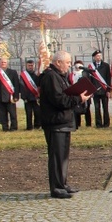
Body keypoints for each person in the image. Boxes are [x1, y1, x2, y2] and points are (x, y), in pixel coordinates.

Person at [38, 51, 92, 199]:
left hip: (63, 121)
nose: (69, 65)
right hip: (55, 122)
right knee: (56, 156)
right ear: (58, 63)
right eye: (67, 63)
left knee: (63, 156)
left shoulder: (59, 76)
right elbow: (59, 100)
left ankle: (62, 183)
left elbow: (65, 95)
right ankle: (56, 188)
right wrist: (78, 98)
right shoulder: (50, 77)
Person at [0, 57, 21, 131]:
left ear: (7, 63)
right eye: (2, 62)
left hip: (10, 97)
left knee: (13, 114)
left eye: (4, 62)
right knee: (3, 114)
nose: (3, 63)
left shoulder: (13, 72)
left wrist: (16, 96)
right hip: (1, 97)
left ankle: (14, 127)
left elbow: (16, 85)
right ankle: (5, 128)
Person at [88, 50, 112, 128]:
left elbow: (108, 78)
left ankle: (106, 123)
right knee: (97, 108)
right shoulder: (91, 66)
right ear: (94, 57)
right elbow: (89, 80)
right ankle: (98, 124)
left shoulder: (106, 65)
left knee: (105, 108)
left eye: (100, 56)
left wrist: (108, 90)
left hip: (104, 90)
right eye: (97, 56)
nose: (99, 57)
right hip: (95, 91)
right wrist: (90, 91)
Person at [18, 59, 42, 130]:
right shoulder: (23, 76)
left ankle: (37, 126)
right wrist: (24, 97)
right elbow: (22, 86)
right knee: (28, 113)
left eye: (31, 65)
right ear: (26, 66)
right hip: (27, 97)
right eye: (29, 65)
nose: (30, 67)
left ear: (34, 66)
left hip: (35, 97)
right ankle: (29, 127)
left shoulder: (37, 75)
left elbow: (39, 86)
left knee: (37, 113)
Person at [71, 60, 92, 128]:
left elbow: (89, 83)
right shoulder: (72, 74)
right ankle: (78, 123)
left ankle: (88, 124)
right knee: (76, 109)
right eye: (76, 65)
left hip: (85, 92)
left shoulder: (85, 73)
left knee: (87, 109)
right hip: (76, 93)